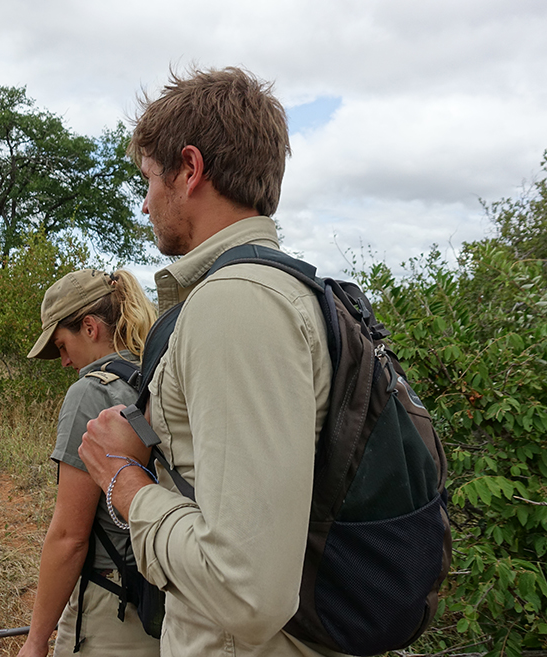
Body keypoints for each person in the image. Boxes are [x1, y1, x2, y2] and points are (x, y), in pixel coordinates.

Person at [78, 67, 343, 656]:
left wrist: (124, 484)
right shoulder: (280, 291)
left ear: (190, 170)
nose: (146, 204)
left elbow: (247, 592)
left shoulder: (237, 306)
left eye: (149, 179)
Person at [19, 268, 160, 657]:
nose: (64, 361)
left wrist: (36, 640)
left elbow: (70, 536)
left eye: (62, 345)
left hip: (112, 602)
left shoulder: (90, 392)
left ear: (90, 327)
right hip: (168, 593)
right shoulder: (157, 376)